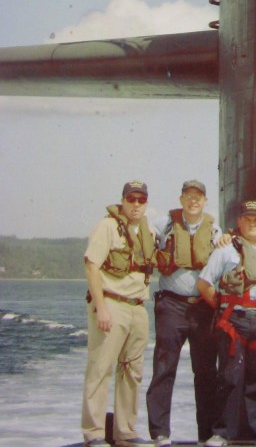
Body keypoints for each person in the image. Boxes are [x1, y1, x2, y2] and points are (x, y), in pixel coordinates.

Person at [197, 200, 256, 447]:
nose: (253, 223)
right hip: (234, 322)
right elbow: (204, 285)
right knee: (229, 377)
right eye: (247, 218)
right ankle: (222, 432)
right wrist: (226, 309)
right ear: (239, 223)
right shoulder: (226, 250)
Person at [146, 180, 221, 446]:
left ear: (205, 201)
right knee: (164, 368)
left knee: (206, 372)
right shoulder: (163, 225)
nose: (193, 201)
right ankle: (160, 433)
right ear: (181, 199)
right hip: (171, 306)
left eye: (198, 197)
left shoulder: (215, 229)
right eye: (188, 196)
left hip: (202, 307)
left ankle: (207, 434)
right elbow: (142, 236)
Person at [82, 180, 156, 447]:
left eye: (141, 200)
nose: (136, 204)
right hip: (111, 304)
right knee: (100, 369)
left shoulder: (147, 231)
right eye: (131, 199)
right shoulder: (107, 227)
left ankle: (125, 432)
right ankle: (94, 434)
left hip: (138, 307)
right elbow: (92, 266)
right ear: (123, 200)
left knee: (131, 371)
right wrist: (101, 307)